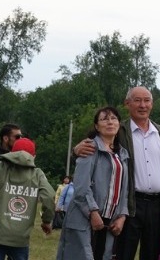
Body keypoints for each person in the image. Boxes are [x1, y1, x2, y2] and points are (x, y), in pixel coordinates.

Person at [74, 87, 160, 260]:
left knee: (152, 253)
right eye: (137, 100)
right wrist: (76, 150)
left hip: (158, 205)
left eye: (147, 100)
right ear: (127, 103)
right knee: (123, 253)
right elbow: (97, 144)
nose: (142, 105)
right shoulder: (119, 131)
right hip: (130, 204)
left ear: (152, 104)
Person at [57, 106, 131, 260]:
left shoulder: (122, 154)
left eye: (113, 118)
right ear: (97, 126)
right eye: (104, 119)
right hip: (86, 217)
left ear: (119, 124)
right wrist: (92, 212)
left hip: (109, 222)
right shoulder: (89, 148)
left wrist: (122, 216)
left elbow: (125, 190)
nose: (110, 122)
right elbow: (81, 186)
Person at [0, 137, 55, 260]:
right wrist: (46, 221)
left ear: (11, 153)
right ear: (34, 156)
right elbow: (49, 196)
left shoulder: (1, 167)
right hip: (20, 237)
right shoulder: (37, 174)